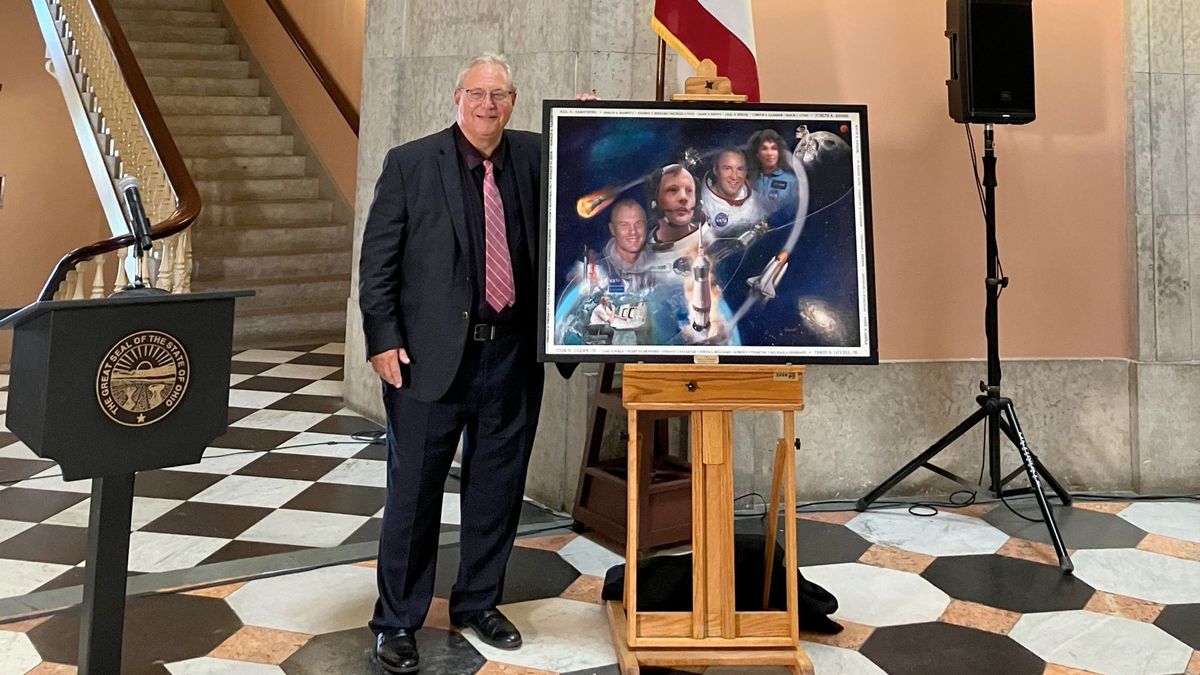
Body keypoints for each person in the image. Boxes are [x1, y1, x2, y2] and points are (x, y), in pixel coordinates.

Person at [359, 53, 544, 674]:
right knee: (413, 495)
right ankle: (397, 621)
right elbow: (377, 264)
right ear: (456, 97)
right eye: (477, 93)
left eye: (500, 95)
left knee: (497, 489)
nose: (488, 105)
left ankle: (477, 602)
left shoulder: (535, 157)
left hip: (513, 355)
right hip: (428, 362)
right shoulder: (410, 164)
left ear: (513, 101)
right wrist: (382, 339)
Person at [699, 148, 765, 239]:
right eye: (727, 168)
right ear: (716, 170)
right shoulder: (701, 207)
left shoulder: (759, 202)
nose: (734, 176)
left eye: (740, 169)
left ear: (746, 172)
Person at [596, 198, 653, 293]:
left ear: (646, 226)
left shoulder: (661, 265)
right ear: (612, 229)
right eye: (624, 225)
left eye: (638, 224)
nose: (633, 232)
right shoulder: (596, 270)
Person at [747, 128, 800, 217]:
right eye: (764, 148)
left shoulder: (792, 181)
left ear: (779, 152)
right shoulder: (751, 180)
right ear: (757, 154)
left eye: (774, 148)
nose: (769, 153)